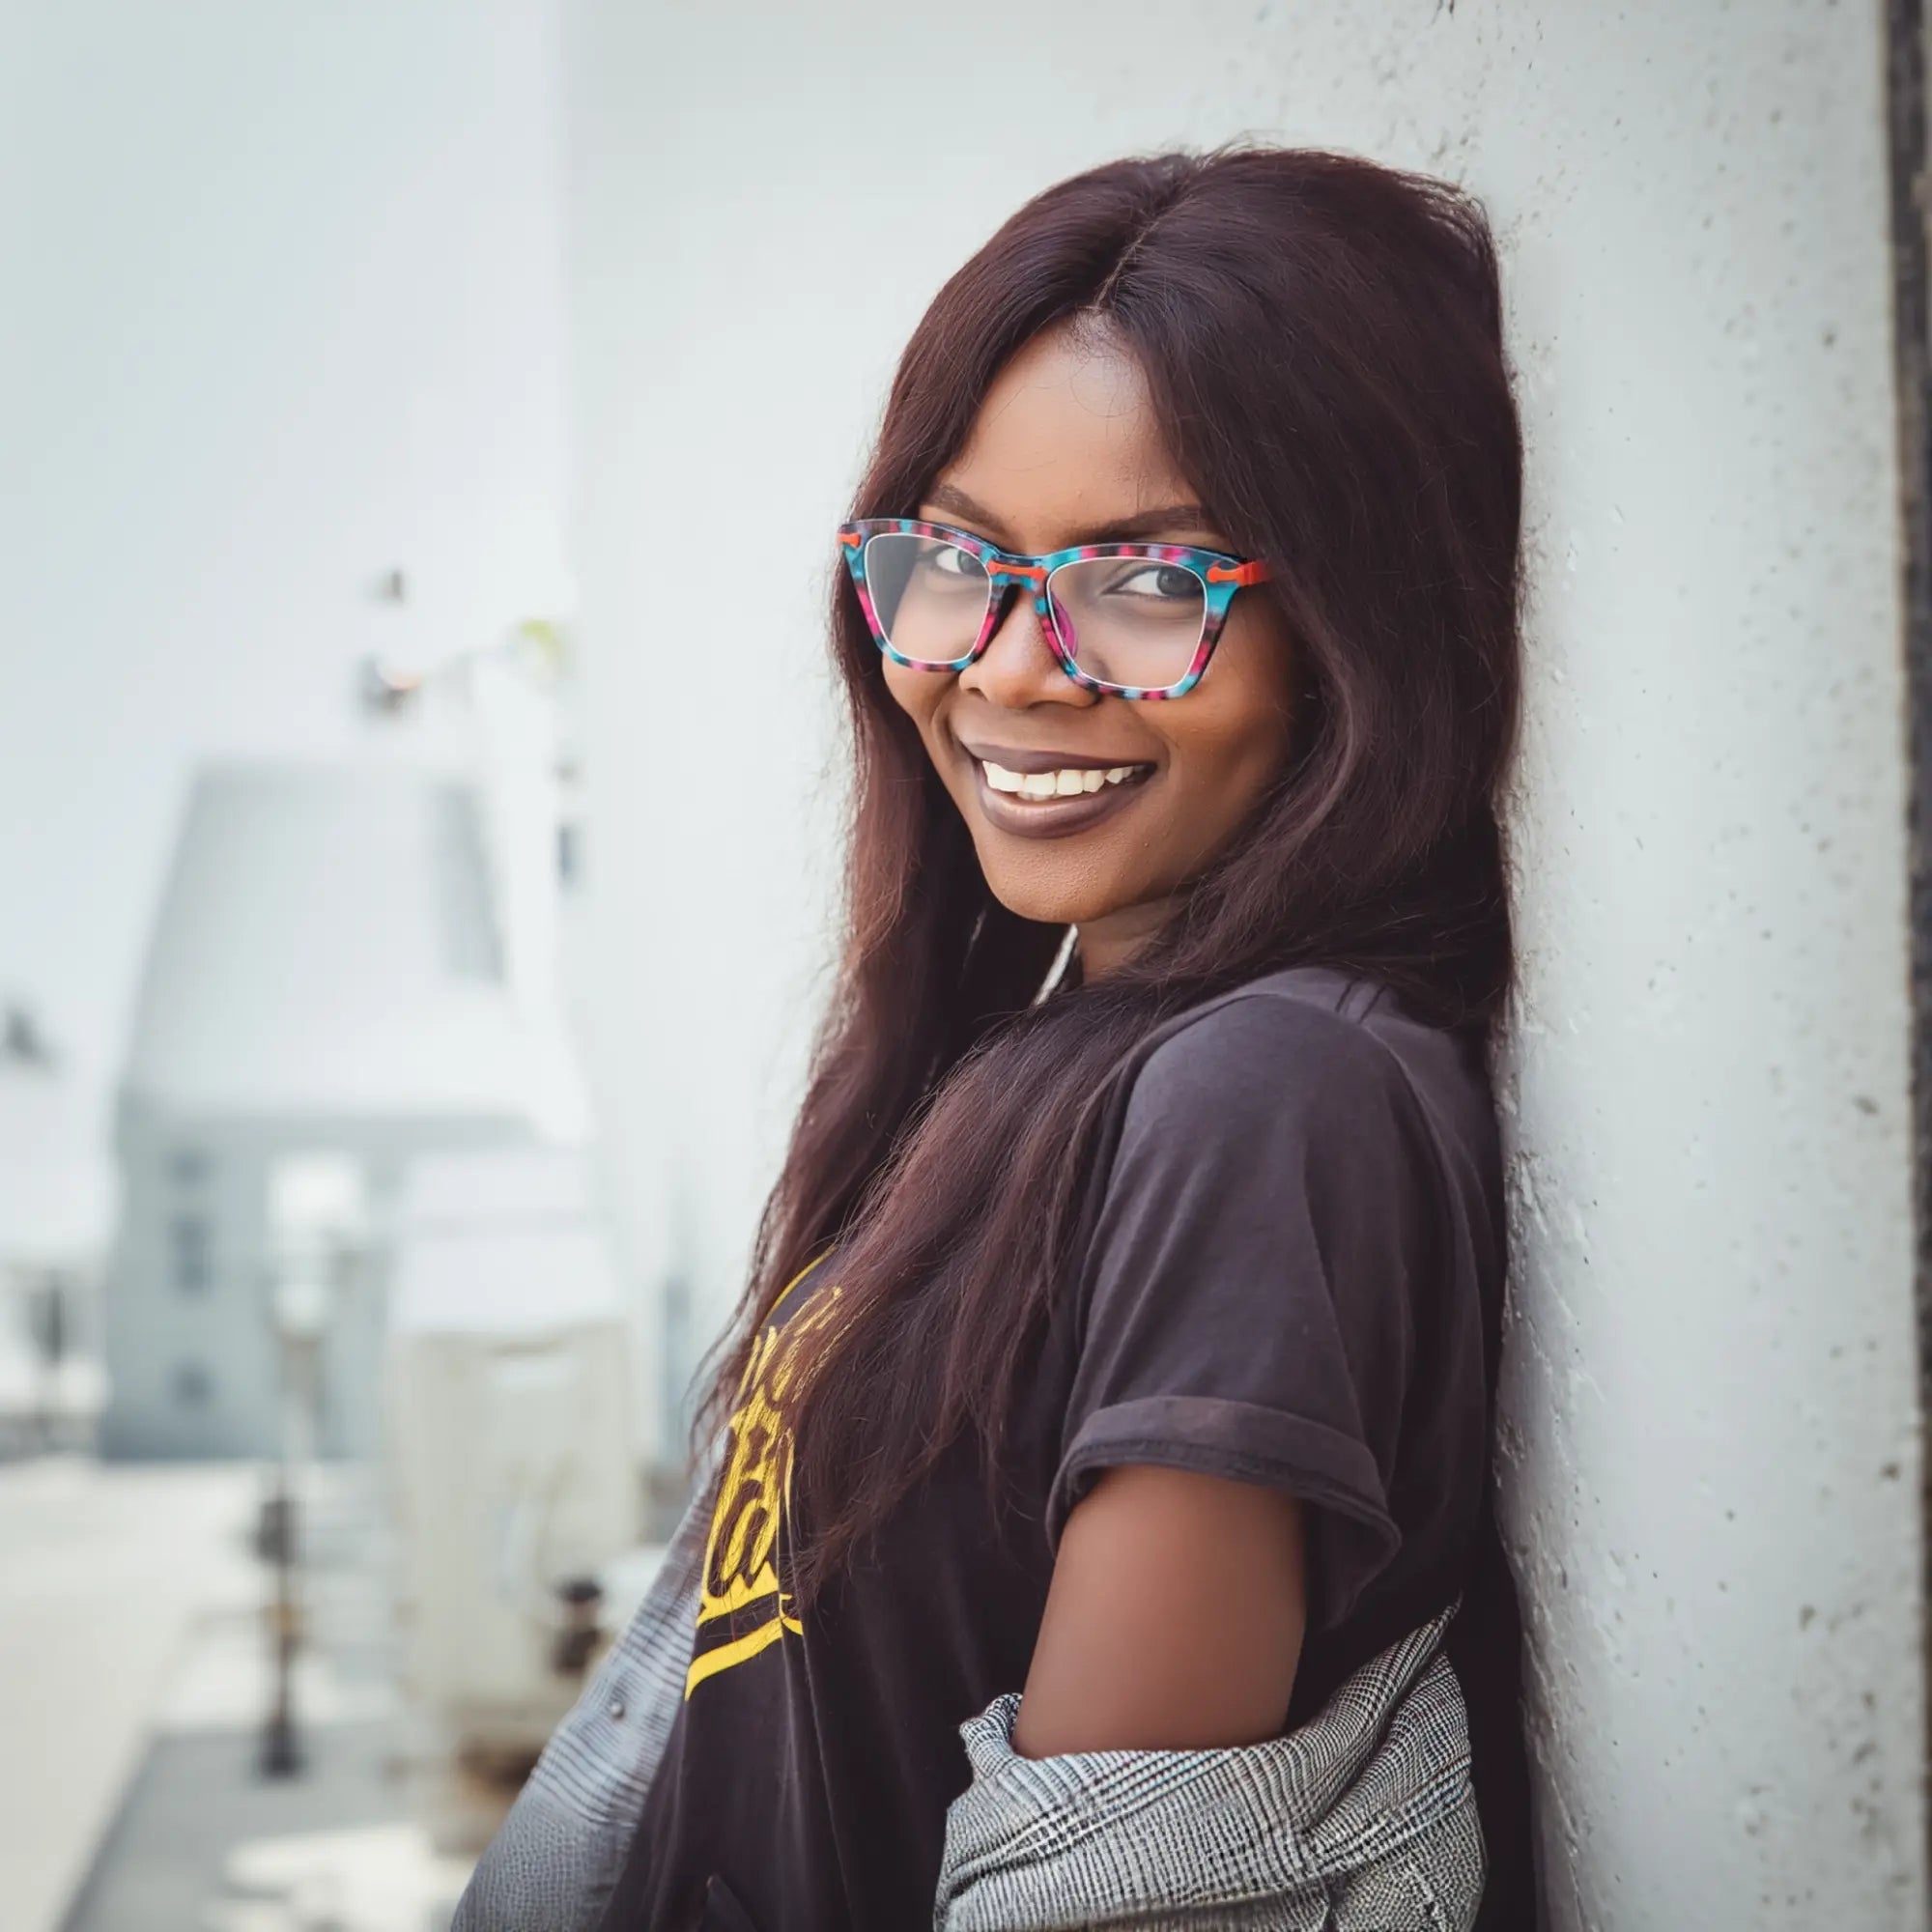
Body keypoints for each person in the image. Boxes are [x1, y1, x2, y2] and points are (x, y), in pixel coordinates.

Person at [459, 142, 1534, 1932]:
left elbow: (1107, 1898)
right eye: (957, 564)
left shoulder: (1268, 1105)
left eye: (1148, 586)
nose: (1013, 669)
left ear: (1356, 623)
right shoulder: (1033, 1061)